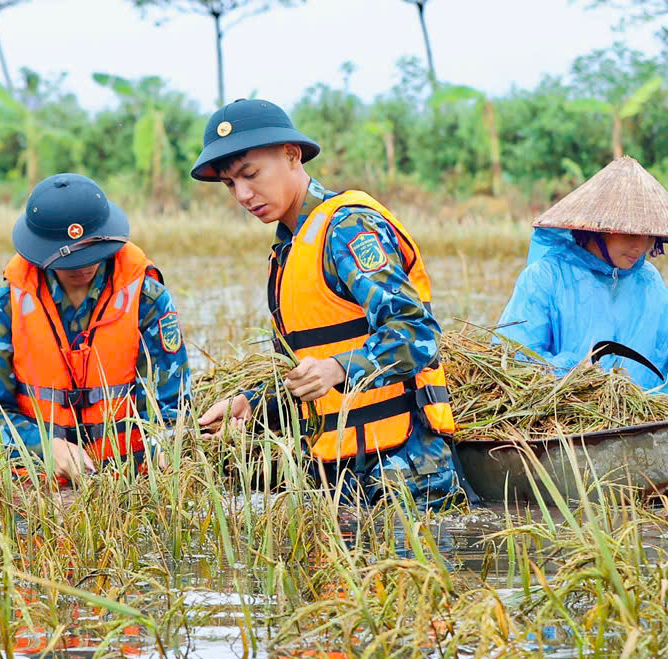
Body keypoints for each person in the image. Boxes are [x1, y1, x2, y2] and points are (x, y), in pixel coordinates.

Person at [191, 99, 464, 511]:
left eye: (250, 175)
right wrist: (255, 403)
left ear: (291, 155)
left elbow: (416, 333)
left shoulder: (348, 228)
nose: (243, 195)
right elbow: (313, 373)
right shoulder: (288, 249)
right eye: (230, 184)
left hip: (406, 474)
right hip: (338, 474)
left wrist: (339, 368)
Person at [0, 173, 190, 482]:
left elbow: (173, 408)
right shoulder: (7, 305)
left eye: (91, 253)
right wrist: (44, 447)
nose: (83, 266)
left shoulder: (147, 299)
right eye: (70, 259)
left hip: (129, 485)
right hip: (37, 487)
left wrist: (165, 452)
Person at [496, 156, 668, 396]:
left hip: (639, 417)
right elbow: (516, 358)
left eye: (649, 235)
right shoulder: (546, 277)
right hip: (567, 413)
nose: (640, 247)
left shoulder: (647, 281)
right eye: (630, 234)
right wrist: (572, 373)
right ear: (597, 229)